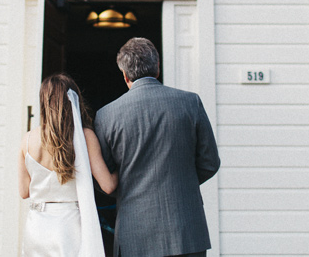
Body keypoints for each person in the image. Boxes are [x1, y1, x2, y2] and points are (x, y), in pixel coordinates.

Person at [94, 37, 220, 257]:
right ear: (157, 68)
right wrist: (182, 183)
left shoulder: (106, 116)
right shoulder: (190, 102)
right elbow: (210, 163)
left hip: (135, 233)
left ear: (124, 75)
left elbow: (105, 181)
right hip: (186, 230)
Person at [19, 73, 118, 257]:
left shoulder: (27, 140)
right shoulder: (84, 137)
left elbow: (24, 191)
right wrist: (122, 166)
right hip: (67, 227)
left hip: (36, 227)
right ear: (73, 101)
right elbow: (108, 185)